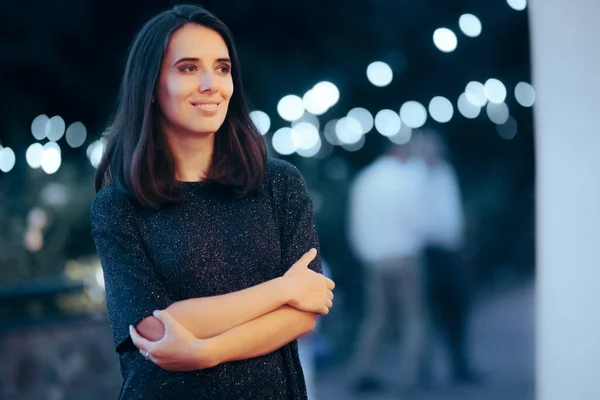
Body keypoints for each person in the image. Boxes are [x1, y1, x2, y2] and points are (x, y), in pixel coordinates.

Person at [90, 5, 335, 399]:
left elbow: (306, 309)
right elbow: (154, 327)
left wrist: (205, 351)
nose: (211, 84)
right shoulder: (119, 206)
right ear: (151, 87)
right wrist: (281, 289)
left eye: (222, 68)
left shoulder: (279, 184)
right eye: (188, 68)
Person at [347, 143, 428, 393]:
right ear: (402, 152)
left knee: (376, 318)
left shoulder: (364, 179)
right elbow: (417, 219)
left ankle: (363, 370)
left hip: (373, 258)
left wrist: (364, 252)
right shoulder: (407, 179)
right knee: (413, 317)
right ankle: (410, 376)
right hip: (404, 255)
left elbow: (354, 221)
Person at [416, 130, 479, 384]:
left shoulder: (445, 173)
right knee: (428, 312)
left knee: (458, 308)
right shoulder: (413, 176)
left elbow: (452, 210)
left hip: (451, 249)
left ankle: (460, 365)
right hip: (426, 251)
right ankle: (424, 372)